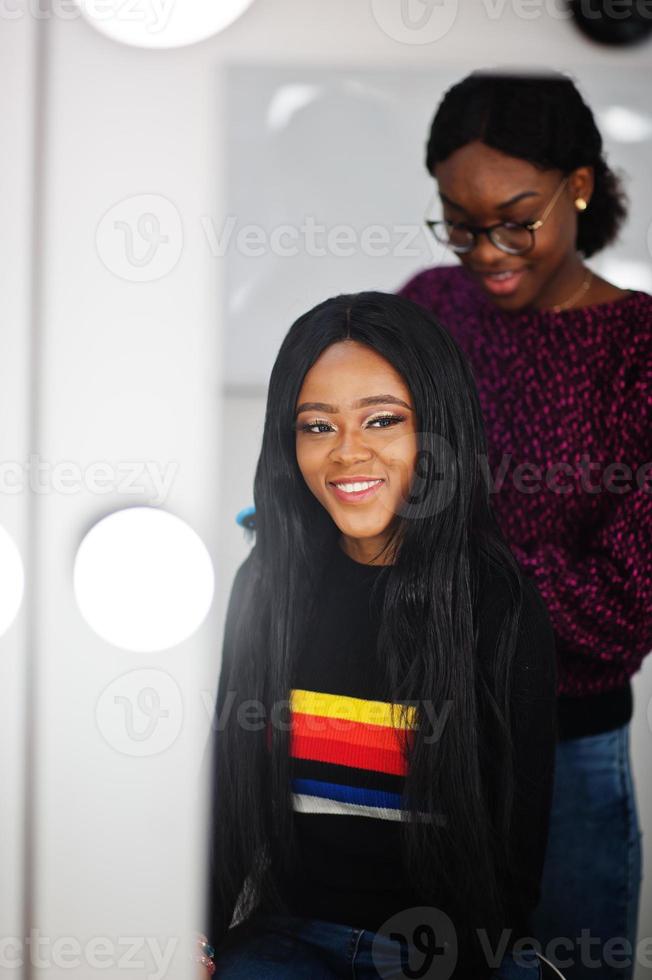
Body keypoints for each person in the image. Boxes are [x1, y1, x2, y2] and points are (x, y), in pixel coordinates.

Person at [199, 290, 557, 979]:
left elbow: (513, 873)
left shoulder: (500, 604)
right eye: (317, 426)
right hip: (292, 940)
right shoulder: (265, 586)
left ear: (436, 431)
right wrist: (198, 936)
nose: (347, 455)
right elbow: (227, 800)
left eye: (382, 420)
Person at [397, 68, 652, 980]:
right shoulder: (427, 307)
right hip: (416, 736)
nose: (485, 250)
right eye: (459, 223)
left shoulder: (639, 349)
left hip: (569, 757)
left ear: (579, 184)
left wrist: (436, 562)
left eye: (515, 217)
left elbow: (623, 608)